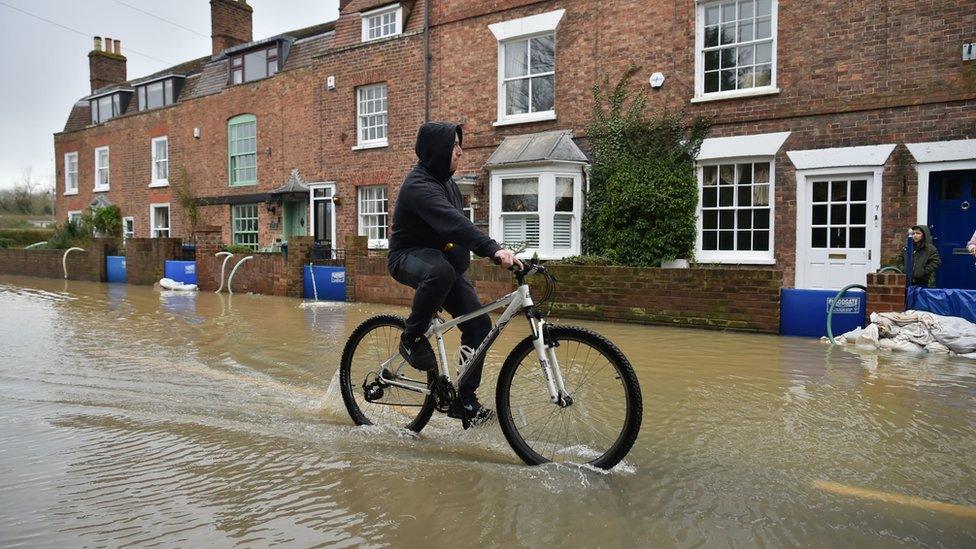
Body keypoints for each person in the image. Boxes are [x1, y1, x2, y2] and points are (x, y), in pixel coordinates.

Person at [387, 122, 522, 426]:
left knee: (479, 325)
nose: (461, 152)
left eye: (461, 145)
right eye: (454, 146)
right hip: (407, 257)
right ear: (437, 150)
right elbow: (453, 224)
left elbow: (461, 227)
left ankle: (465, 399)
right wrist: (492, 249)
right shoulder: (418, 186)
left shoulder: (447, 183)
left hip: (443, 265)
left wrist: (496, 250)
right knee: (439, 272)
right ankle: (410, 337)